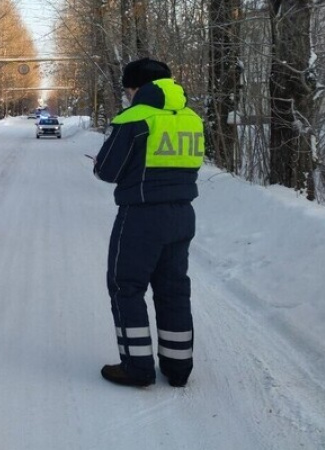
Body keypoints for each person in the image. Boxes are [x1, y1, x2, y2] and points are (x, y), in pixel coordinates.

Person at [92, 58, 204, 388]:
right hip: (183, 215)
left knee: (126, 286)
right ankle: (178, 366)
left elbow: (108, 171)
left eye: (128, 90)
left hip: (140, 217)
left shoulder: (135, 118)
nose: (127, 96)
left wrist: (100, 162)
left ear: (137, 87)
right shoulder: (192, 119)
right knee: (173, 289)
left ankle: (137, 366)